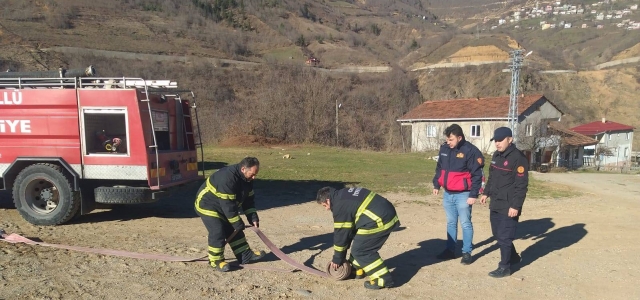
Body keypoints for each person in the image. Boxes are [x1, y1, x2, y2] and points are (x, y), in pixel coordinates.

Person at [316, 186, 400, 290]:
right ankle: (357, 270)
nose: (326, 209)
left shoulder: (339, 207)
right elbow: (349, 231)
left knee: (362, 251)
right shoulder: (342, 194)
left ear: (328, 200)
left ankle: (382, 279)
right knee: (359, 244)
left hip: (380, 219)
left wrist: (337, 259)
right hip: (383, 213)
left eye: (325, 206)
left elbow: (341, 235)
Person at [194, 157, 266, 272]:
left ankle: (244, 254)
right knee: (218, 230)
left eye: (255, 174)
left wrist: (252, 216)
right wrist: (237, 222)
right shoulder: (227, 178)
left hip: (224, 205)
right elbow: (228, 205)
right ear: (243, 169)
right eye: (252, 174)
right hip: (207, 204)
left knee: (234, 227)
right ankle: (215, 261)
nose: (254, 177)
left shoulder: (247, 180)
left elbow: (248, 200)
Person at [480, 127, 529, 278]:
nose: (497, 143)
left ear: (510, 139)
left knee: (505, 236)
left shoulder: (518, 158)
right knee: (497, 233)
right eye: (495, 140)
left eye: (500, 140)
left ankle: (505, 267)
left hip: (509, 205)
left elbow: (521, 186)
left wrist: (516, 206)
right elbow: (492, 177)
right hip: (496, 202)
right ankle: (513, 257)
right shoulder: (496, 155)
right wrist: (486, 193)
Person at [432, 124, 485, 265]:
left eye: (451, 139)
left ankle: (466, 252)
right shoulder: (444, 149)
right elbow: (439, 168)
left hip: (464, 194)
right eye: (447, 140)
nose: (448, 142)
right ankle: (450, 250)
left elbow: (477, 175)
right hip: (448, 194)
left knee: (466, 223)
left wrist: (473, 194)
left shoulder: (471, 151)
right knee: (451, 223)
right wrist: (437, 184)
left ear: (459, 137)